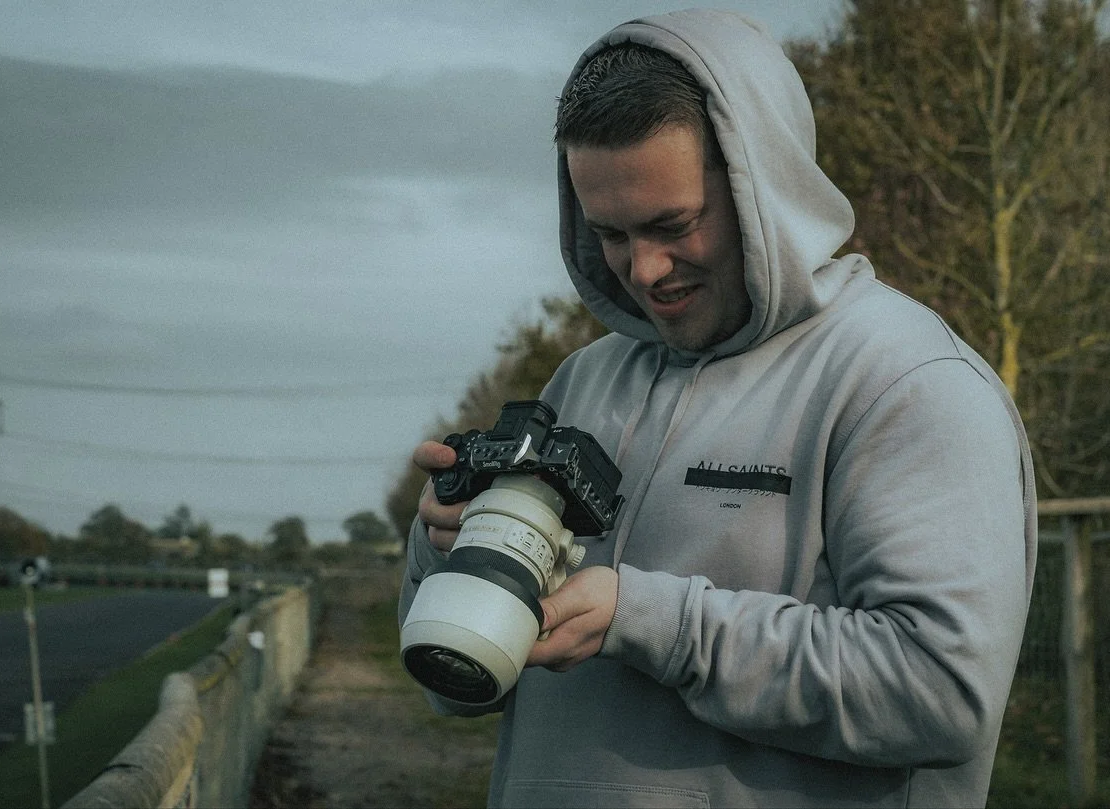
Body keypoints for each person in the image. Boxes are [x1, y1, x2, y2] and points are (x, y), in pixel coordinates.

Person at [400, 9, 1037, 808]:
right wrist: (447, 546)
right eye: (611, 233)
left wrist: (651, 621)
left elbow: (942, 693)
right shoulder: (581, 382)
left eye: (672, 225)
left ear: (765, 185)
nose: (644, 269)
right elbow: (455, 693)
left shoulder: (907, 382)